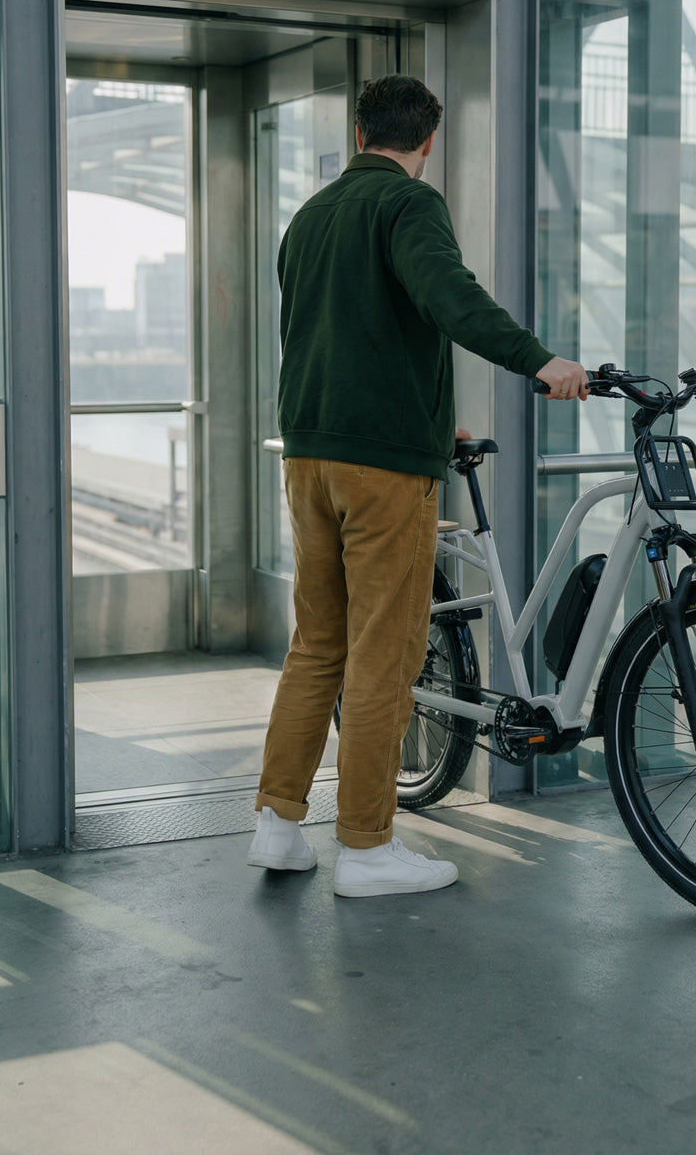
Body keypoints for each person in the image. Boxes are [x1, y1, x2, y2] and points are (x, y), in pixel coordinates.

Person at [248, 74, 588, 897]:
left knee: (318, 644)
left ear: (360, 131)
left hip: (309, 459)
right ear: (425, 144)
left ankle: (277, 826)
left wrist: (433, 426)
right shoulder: (409, 207)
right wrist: (540, 363)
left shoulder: (309, 217)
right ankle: (365, 848)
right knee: (383, 653)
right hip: (381, 472)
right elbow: (448, 299)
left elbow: (341, 338)